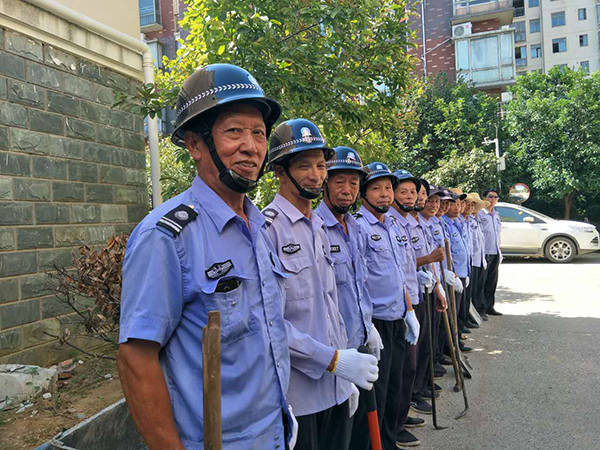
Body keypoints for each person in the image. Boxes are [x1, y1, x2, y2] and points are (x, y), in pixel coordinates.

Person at [118, 63, 296, 449]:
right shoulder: (166, 237)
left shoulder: (259, 226)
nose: (251, 146)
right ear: (195, 145)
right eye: (234, 131)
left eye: (259, 133)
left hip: (274, 432)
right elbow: (136, 358)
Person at [264, 119, 379, 450]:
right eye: (304, 166)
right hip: (301, 396)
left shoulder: (318, 226)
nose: (316, 175)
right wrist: (332, 360)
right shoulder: (268, 229)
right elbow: (271, 324)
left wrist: (345, 366)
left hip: (338, 384)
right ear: (280, 171)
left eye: (320, 165)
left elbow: (330, 304)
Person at [313, 146, 383, 448]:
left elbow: (359, 285)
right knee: (339, 437)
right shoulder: (315, 227)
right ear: (325, 183)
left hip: (361, 343)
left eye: (354, 183)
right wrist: (338, 358)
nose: (347, 190)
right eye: (339, 181)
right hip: (335, 357)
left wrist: (370, 327)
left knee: (363, 432)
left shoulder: (356, 228)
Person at [353, 162, 419, 450]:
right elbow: (357, 281)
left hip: (397, 316)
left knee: (394, 386)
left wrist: (410, 311)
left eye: (388, 188)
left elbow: (399, 273)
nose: (384, 194)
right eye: (376, 188)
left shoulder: (392, 224)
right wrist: (367, 324)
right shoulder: (358, 226)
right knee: (375, 395)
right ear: (363, 193)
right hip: (375, 323)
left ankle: (389, 441)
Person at [441, 190, 471, 352]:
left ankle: (455, 342)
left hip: (462, 272)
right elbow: (448, 253)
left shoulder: (456, 222)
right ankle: (449, 346)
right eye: (453, 204)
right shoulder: (444, 223)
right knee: (451, 313)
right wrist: (452, 272)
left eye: (459, 204)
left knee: (457, 311)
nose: (457, 207)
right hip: (452, 275)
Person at [478, 189, 503, 316]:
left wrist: (500, 251)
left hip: (495, 251)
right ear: (484, 198)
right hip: (485, 252)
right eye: (490, 196)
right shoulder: (480, 214)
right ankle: (481, 308)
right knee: (482, 282)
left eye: (495, 197)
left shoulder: (496, 214)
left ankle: (490, 306)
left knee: (492, 282)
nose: (493, 199)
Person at [465, 193, 489, 321]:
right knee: (471, 290)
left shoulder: (476, 220)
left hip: (479, 259)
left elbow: (480, 242)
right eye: (469, 205)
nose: (471, 207)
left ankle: (477, 313)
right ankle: (469, 317)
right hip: (472, 261)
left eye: (473, 205)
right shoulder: (467, 221)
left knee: (478, 288)